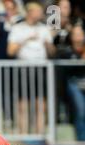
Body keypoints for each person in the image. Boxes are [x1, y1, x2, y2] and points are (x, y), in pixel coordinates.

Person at [7, 2, 55, 134]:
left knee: (41, 104)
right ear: (29, 12)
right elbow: (10, 51)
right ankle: (23, 135)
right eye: (38, 11)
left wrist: (48, 43)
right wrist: (26, 38)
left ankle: (40, 135)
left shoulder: (44, 29)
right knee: (23, 105)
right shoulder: (18, 28)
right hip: (24, 69)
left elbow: (52, 52)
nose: (40, 14)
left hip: (41, 69)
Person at [59, 25, 85, 141]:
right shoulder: (68, 51)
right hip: (75, 83)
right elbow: (68, 70)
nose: (79, 36)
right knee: (81, 110)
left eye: (80, 34)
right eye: (76, 34)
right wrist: (81, 59)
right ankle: (82, 139)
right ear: (71, 37)